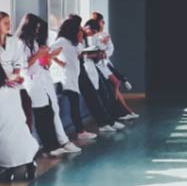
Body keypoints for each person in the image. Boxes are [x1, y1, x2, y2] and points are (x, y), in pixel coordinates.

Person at [13, 13, 81, 157]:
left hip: (43, 79)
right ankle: (49, 147)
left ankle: (54, 144)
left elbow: (42, 64)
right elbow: (24, 66)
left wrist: (48, 58)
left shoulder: (34, 42)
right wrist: (39, 55)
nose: (38, 31)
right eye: (36, 28)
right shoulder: (20, 44)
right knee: (41, 115)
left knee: (49, 113)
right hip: (33, 83)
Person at [51, 15, 97, 141]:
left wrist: (80, 38)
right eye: (78, 30)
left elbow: (79, 53)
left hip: (73, 77)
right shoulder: (62, 41)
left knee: (75, 104)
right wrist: (60, 63)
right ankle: (80, 131)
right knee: (74, 105)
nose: (80, 33)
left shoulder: (73, 42)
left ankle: (80, 130)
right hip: (67, 78)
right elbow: (49, 53)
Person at [80, 19, 127, 133]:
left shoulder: (92, 38)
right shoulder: (78, 39)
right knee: (98, 96)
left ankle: (110, 120)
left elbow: (105, 49)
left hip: (96, 67)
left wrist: (102, 52)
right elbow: (82, 55)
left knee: (105, 93)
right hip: (87, 70)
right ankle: (106, 122)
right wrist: (95, 54)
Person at [89, 13, 139, 120]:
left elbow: (110, 48)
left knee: (115, 84)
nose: (102, 24)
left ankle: (126, 111)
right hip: (98, 65)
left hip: (104, 63)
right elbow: (94, 49)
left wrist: (105, 49)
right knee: (114, 85)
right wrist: (103, 45)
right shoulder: (92, 35)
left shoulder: (104, 34)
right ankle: (122, 112)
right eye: (101, 22)